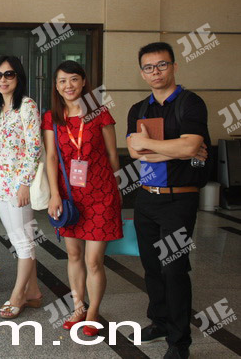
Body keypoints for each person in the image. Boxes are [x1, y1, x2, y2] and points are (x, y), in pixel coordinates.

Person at [126, 42, 210, 359]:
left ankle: (179, 341)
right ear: (142, 73)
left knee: (173, 269)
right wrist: (176, 149)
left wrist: (151, 145)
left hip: (179, 200)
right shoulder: (138, 109)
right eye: (149, 67)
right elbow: (135, 151)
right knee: (151, 267)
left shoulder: (190, 103)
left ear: (174, 66)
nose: (156, 72)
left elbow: (190, 147)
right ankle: (159, 322)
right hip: (146, 198)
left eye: (162, 65)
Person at [44, 60, 122, 336]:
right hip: (69, 197)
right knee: (74, 254)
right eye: (62, 81)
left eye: (74, 79)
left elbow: (113, 155)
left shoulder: (100, 113)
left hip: (101, 194)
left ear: (84, 82)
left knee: (93, 260)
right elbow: (51, 158)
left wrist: (114, 189)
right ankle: (78, 307)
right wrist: (54, 194)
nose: (69, 85)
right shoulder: (52, 117)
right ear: (56, 86)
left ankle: (93, 313)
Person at [0, 56, 43, 319]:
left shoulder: (27, 106)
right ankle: (34, 291)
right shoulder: (0, 109)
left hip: (18, 184)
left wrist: (24, 184)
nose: (3, 80)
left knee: (23, 241)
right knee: (18, 238)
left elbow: (35, 147)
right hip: (1, 183)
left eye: (8, 74)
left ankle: (18, 295)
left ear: (18, 77)